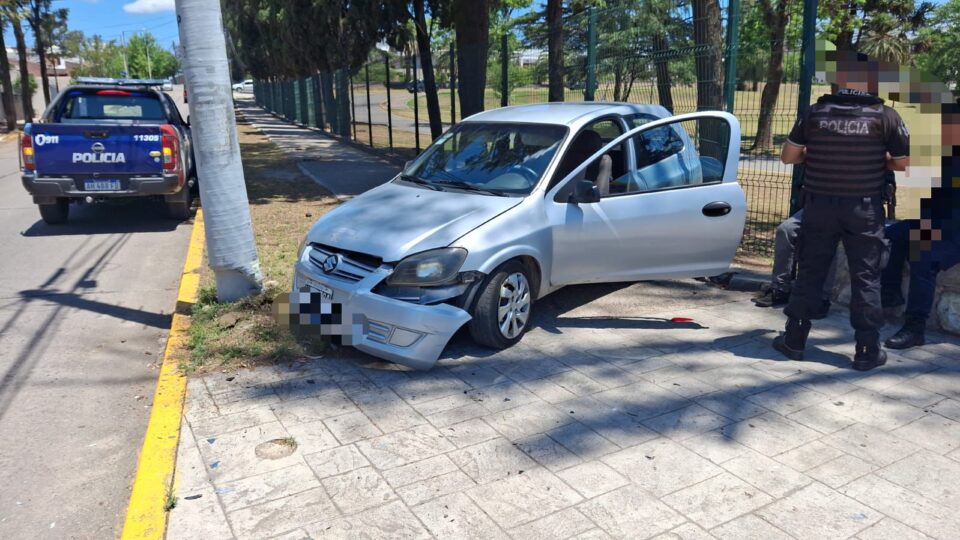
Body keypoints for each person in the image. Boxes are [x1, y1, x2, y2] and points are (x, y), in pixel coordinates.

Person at [773, 87, 909, 371]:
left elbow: (788, 156)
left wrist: (814, 155)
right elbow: (903, 162)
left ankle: (794, 340)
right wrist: (877, 159)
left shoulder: (814, 113)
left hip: (819, 207)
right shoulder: (885, 116)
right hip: (864, 210)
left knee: (810, 272)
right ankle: (867, 350)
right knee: (866, 277)